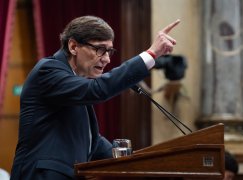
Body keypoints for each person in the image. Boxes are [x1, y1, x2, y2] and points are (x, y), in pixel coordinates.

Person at [10, 15, 180, 180]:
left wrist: (137, 163)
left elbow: (92, 140)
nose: (106, 59)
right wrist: (151, 54)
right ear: (73, 46)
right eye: (100, 49)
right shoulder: (48, 71)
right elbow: (97, 90)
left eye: (109, 51)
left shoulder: (74, 81)